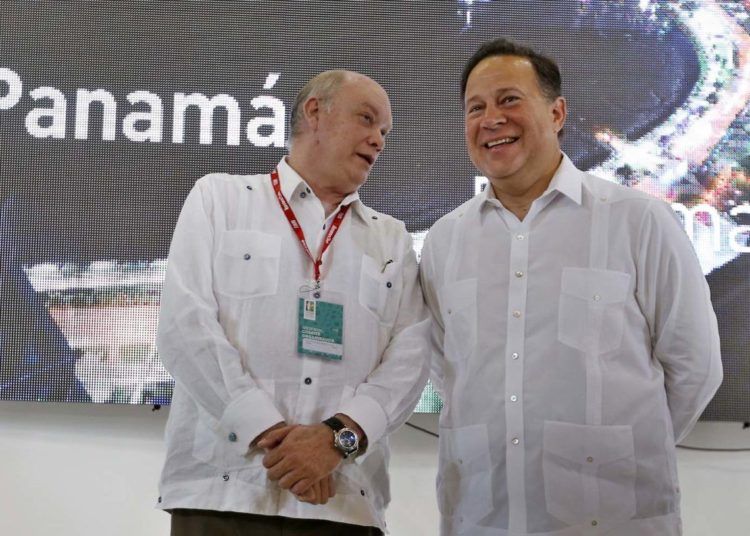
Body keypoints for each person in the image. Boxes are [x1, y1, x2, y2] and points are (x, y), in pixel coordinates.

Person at [419, 38, 723, 536]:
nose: (491, 119)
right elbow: (447, 371)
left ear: (557, 112)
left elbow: (695, 366)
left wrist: (621, 449)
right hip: (481, 518)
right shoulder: (444, 241)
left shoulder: (637, 221)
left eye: (509, 99)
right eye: (476, 108)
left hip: (611, 521)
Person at [156, 70, 429, 535]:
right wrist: (270, 434)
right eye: (366, 120)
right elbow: (185, 327)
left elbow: (410, 358)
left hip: (341, 502)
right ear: (315, 112)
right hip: (222, 494)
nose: (377, 141)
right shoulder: (219, 199)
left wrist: (335, 440)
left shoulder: (392, 239)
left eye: (384, 132)